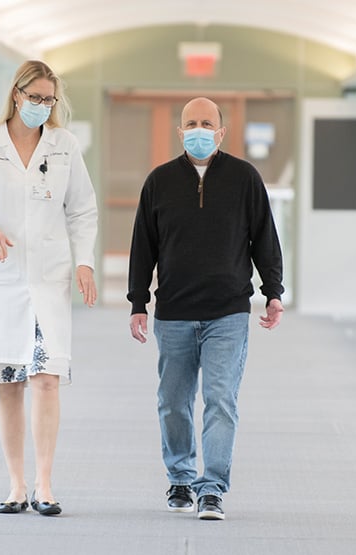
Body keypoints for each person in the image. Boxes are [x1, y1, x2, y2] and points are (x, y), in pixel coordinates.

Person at [0, 60, 98, 517]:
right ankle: (15, 484)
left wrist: (85, 261)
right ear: (16, 95)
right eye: (35, 98)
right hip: (2, 279)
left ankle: (45, 485)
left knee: (46, 380)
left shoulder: (64, 146)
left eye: (49, 100)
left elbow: (83, 210)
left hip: (48, 281)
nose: (42, 106)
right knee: (9, 384)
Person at [127, 97, 284, 521]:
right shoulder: (159, 182)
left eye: (207, 123)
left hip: (228, 312)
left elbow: (265, 239)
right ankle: (180, 477)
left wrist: (273, 290)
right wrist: (138, 301)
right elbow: (143, 247)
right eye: (191, 123)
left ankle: (211, 488)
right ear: (180, 133)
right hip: (174, 312)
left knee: (220, 400)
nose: (199, 130)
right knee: (173, 402)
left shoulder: (244, 179)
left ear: (221, 131)